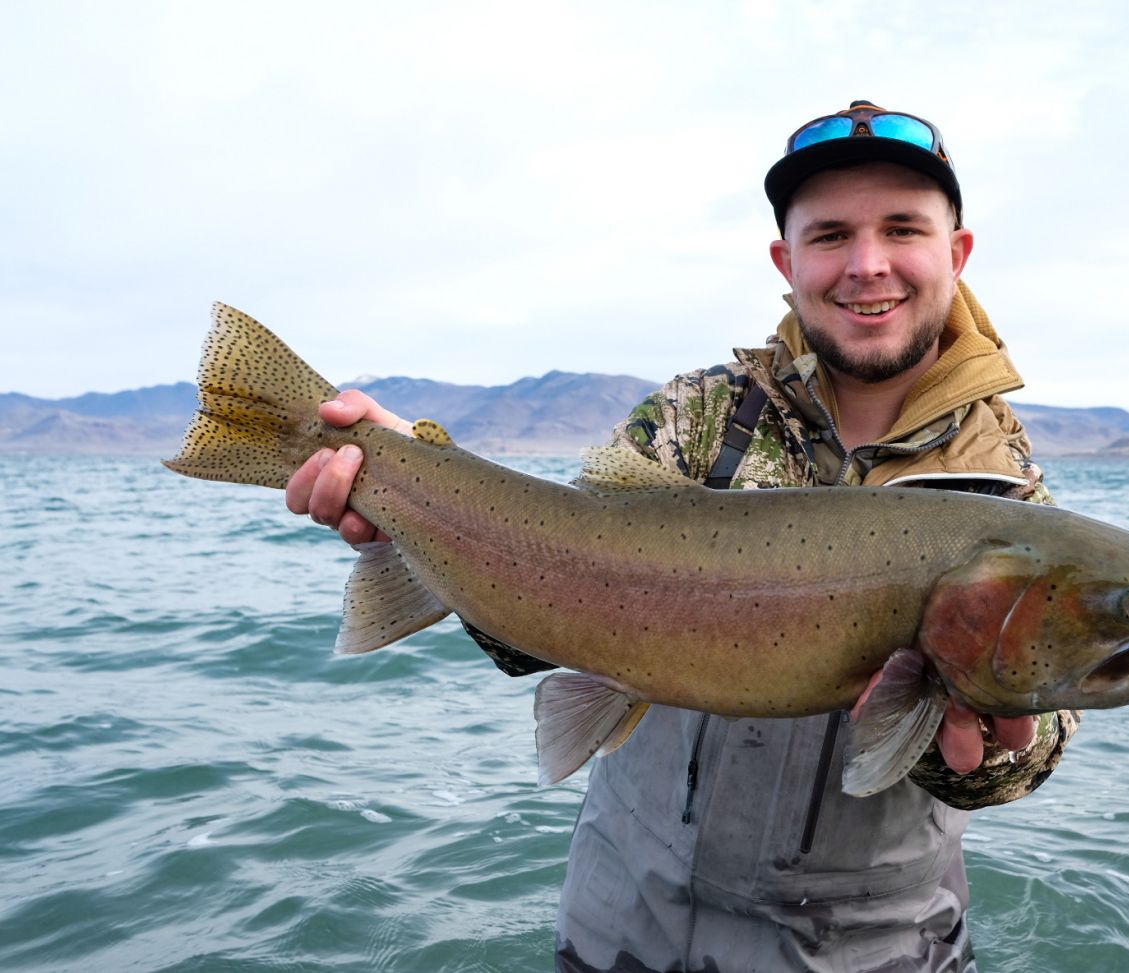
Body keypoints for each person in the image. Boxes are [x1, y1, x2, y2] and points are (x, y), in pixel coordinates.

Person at [285, 100, 1079, 973]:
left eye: (901, 229)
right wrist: (420, 497)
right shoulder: (698, 420)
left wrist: (978, 743)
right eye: (829, 236)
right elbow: (544, 607)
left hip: (872, 952)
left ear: (956, 253)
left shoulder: (1008, 490)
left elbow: (1027, 761)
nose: (867, 264)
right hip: (627, 931)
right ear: (786, 259)